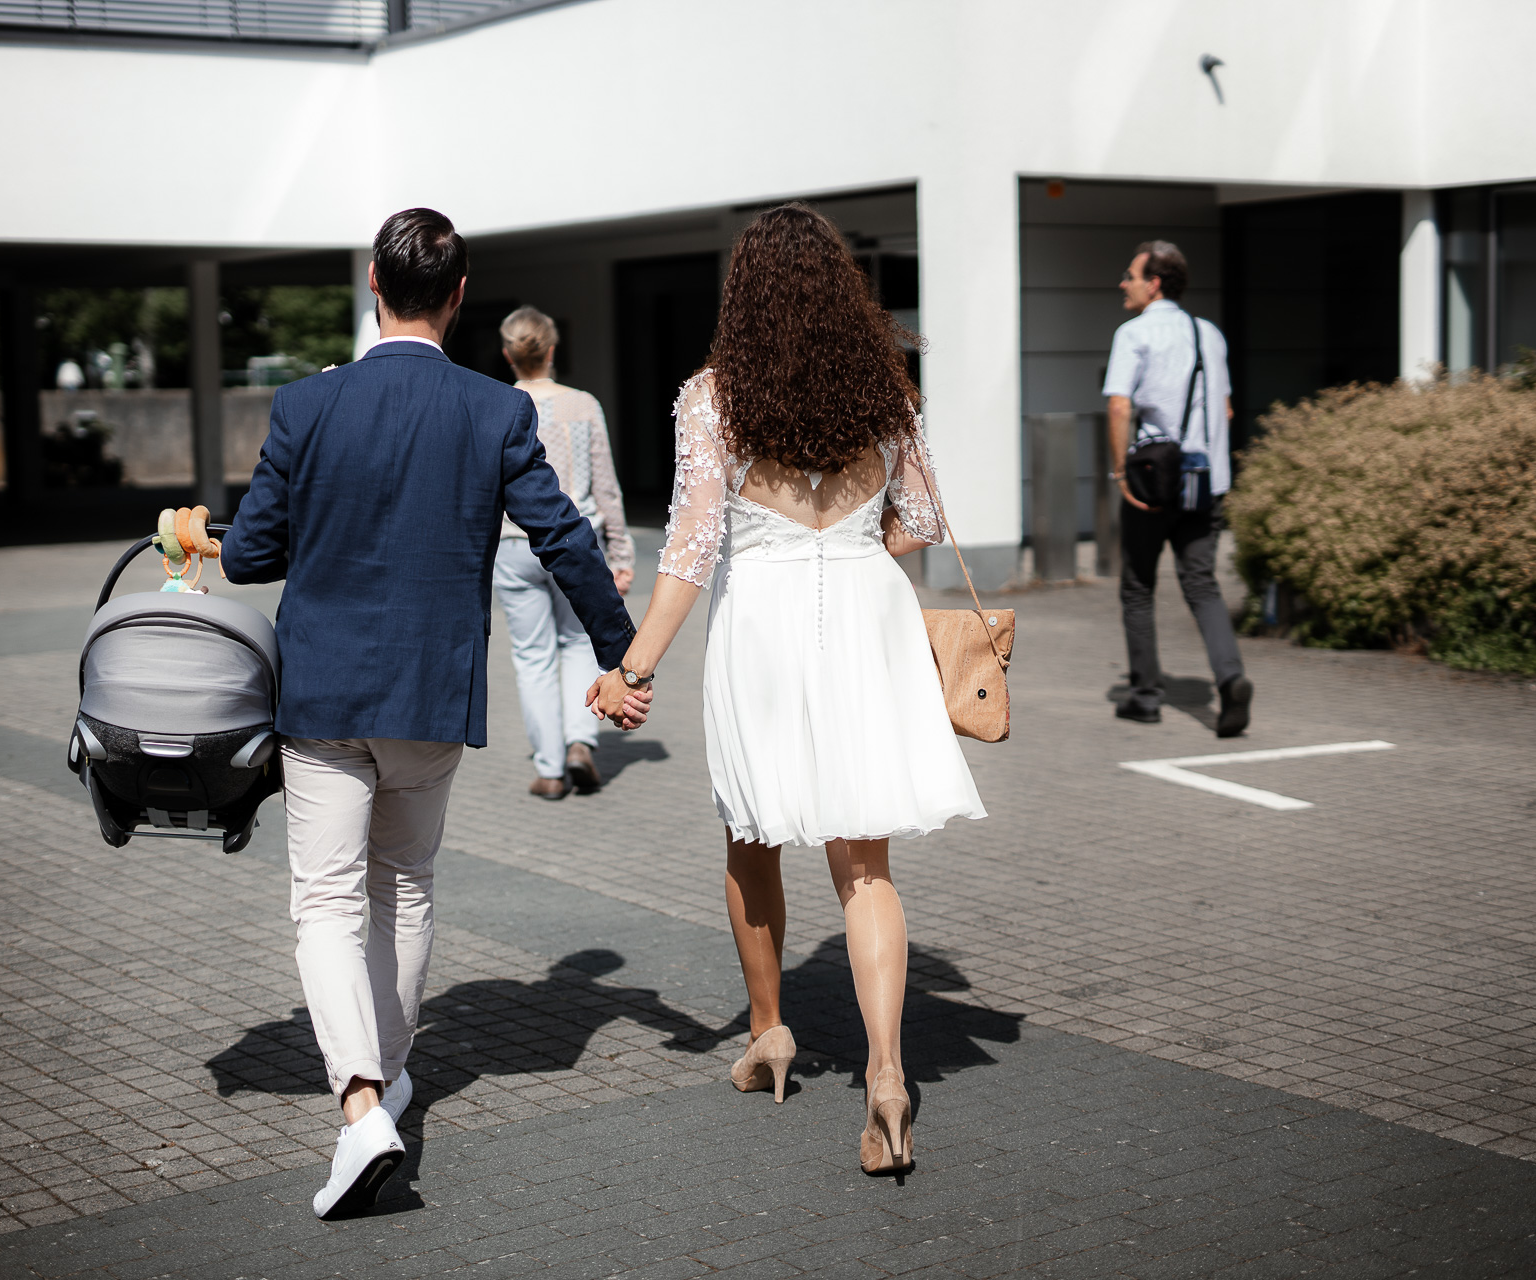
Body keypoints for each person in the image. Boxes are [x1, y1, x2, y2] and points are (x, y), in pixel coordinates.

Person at [222, 208, 649, 1220]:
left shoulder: (304, 405)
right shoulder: (495, 412)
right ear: (461, 295)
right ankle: (392, 1076)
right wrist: (622, 652)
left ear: (375, 282)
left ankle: (362, 1101)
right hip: (430, 691)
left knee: (326, 901)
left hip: (324, 692)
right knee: (405, 888)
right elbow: (564, 536)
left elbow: (247, 554)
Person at [584, 204, 985, 1175]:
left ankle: (769, 1034)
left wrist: (632, 668)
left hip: (759, 620)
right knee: (864, 861)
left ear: (745, 293)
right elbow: (923, 517)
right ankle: (886, 1077)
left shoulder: (711, 397)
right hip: (866, 609)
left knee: (752, 832)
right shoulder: (885, 389)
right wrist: (846, 553)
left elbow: (687, 553)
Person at [1103, 240, 1253, 737]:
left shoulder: (1133, 334)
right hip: (1205, 480)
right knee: (1202, 584)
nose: (1123, 283)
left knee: (1139, 587)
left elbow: (1120, 406)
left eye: (1130, 275)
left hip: (1151, 481)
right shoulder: (1208, 333)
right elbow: (1226, 409)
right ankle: (1230, 678)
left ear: (1155, 282)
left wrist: (1120, 472)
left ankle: (1145, 696)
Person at [494, 306, 636, 799]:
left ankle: (550, 768)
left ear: (509, 354)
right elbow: (607, 485)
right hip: (579, 544)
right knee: (578, 643)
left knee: (532, 656)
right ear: (552, 350)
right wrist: (620, 553)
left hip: (514, 546)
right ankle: (581, 740)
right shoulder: (584, 405)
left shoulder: (496, 403)